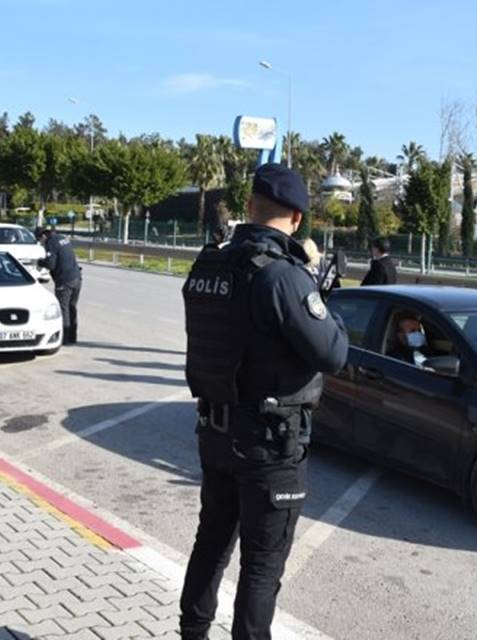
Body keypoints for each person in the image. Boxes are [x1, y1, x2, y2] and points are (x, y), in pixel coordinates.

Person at [180, 163, 349, 640]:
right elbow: (333, 353)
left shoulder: (210, 262)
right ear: (297, 218)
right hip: (269, 445)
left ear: (251, 207)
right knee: (261, 566)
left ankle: (191, 634)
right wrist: (313, 281)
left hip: (214, 433)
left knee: (210, 544)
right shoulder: (283, 276)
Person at [35, 226, 81, 344]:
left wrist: (40, 262)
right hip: (76, 277)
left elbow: (51, 264)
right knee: (72, 307)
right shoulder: (62, 238)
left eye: (40, 240)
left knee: (63, 308)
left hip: (64, 280)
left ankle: (64, 339)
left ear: (43, 236)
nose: (41, 243)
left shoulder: (51, 243)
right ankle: (72, 337)